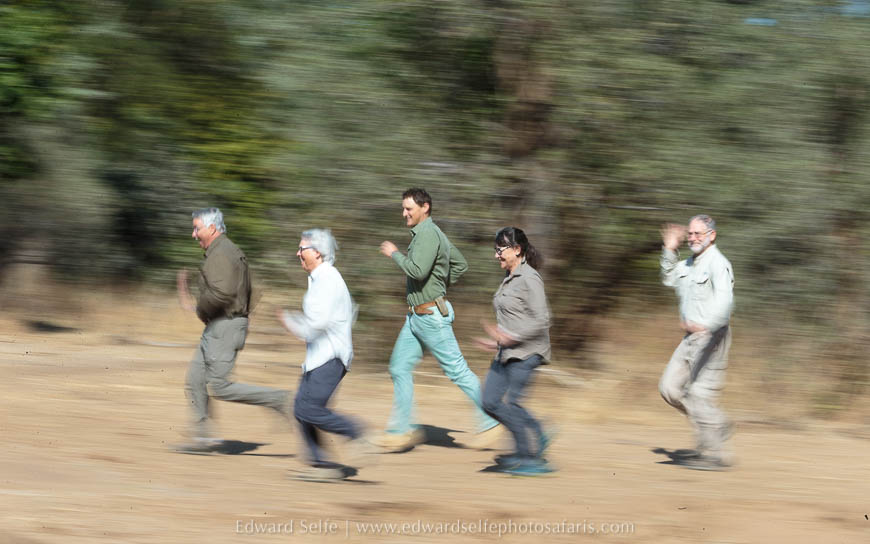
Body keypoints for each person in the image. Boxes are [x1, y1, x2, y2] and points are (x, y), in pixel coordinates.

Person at [375, 188, 500, 451]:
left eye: (409, 208)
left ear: (425, 208)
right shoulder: (433, 233)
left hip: (431, 317)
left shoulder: (429, 234)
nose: (404, 213)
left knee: (458, 371)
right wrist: (438, 285)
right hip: (415, 317)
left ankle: (491, 422)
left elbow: (417, 270)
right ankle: (402, 431)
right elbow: (460, 264)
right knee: (398, 368)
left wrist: (394, 254)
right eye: (404, 208)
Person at [175, 207, 290, 453]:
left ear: (212, 228)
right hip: (219, 325)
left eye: (197, 228)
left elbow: (221, 293)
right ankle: (202, 438)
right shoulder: (221, 252)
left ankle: (281, 400)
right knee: (195, 379)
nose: (193, 234)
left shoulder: (223, 253)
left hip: (225, 326)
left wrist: (196, 307)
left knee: (218, 386)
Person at [277, 229, 370, 480]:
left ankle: (356, 431)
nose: (298, 253)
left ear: (317, 252)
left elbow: (317, 323)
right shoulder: (319, 277)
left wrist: (290, 323)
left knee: (308, 409)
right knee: (300, 408)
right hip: (320, 357)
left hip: (331, 357)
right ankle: (323, 464)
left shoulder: (328, 278)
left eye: (302, 249)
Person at [475, 227, 555, 475]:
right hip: (506, 352)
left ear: (517, 250)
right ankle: (536, 434)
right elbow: (514, 316)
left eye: (500, 250)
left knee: (512, 404)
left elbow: (543, 319)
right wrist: (498, 341)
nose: (496, 255)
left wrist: (513, 337)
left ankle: (529, 456)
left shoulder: (530, 278)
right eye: (495, 250)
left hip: (527, 352)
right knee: (489, 401)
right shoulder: (510, 277)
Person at [659, 214, 735, 470]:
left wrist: (708, 326)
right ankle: (717, 424)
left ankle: (713, 454)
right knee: (669, 389)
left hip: (712, 336)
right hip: (689, 339)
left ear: (711, 235)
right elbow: (669, 278)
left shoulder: (718, 263)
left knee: (699, 394)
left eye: (697, 233)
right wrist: (669, 249)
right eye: (690, 234)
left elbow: (725, 300)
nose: (692, 238)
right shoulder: (690, 264)